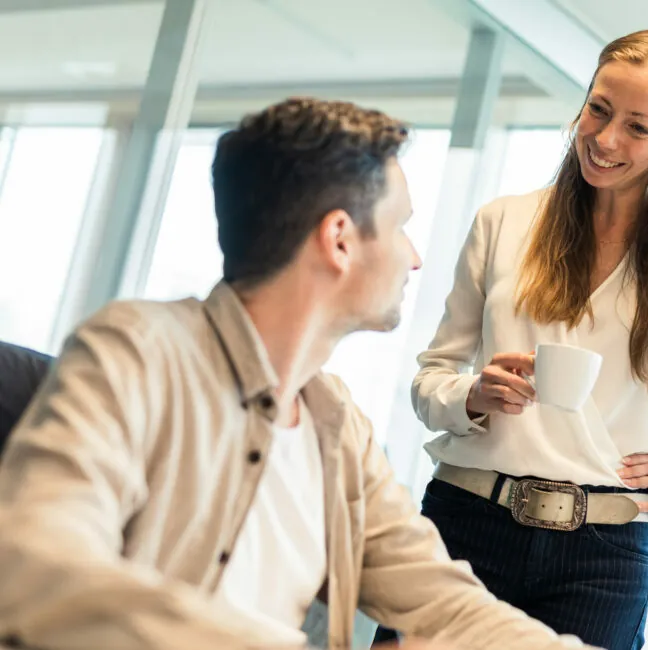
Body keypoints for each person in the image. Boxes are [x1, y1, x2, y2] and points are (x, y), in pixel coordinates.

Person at [0, 98, 597, 650]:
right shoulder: (136, 352)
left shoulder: (335, 425)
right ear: (339, 239)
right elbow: (33, 564)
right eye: (399, 227)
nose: (414, 256)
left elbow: (448, 605)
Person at [376, 30, 648, 650]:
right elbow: (430, 381)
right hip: (464, 524)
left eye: (638, 128)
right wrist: (473, 395)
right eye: (598, 109)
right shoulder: (503, 222)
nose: (605, 140)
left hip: (603, 556)